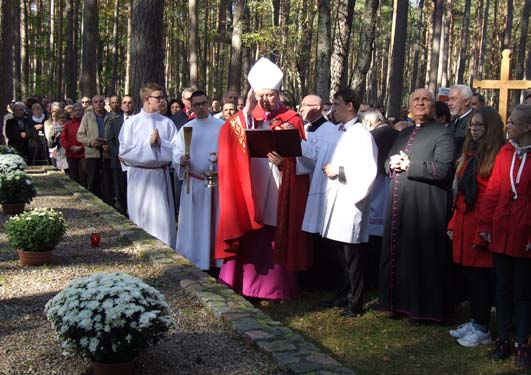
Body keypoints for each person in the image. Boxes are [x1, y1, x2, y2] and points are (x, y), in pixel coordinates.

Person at [216, 57, 312, 300]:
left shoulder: (292, 118)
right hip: (252, 184)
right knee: (249, 226)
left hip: (279, 183)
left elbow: (303, 157)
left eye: (270, 95)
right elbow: (228, 139)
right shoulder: (246, 118)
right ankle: (242, 282)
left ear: (278, 93)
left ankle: (276, 286)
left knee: (273, 229)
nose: (265, 100)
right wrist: (246, 112)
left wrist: (285, 164)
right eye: (261, 95)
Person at [378, 88, 455, 322]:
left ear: (433, 105)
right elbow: (386, 164)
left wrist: (410, 165)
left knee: (422, 257)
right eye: (416, 100)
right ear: (410, 106)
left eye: (425, 99)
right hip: (399, 205)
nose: (420, 103)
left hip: (426, 207)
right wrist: (390, 165)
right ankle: (396, 304)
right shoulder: (404, 133)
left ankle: (422, 309)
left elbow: (443, 169)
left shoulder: (443, 133)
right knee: (398, 254)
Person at [446, 106, 505, 347]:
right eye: (472, 125)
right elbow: (460, 193)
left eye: (479, 125)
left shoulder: (495, 155)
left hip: (480, 225)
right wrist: (452, 223)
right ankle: (474, 320)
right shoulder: (470, 153)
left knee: (481, 278)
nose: (474, 129)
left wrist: (484, 231)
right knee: (470, 276)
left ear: (490, 127)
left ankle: (482, 327)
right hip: (463, 221)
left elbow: (492, 195)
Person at [478, 104, 530, 368]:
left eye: (513, 122)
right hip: (501, 232)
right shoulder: (505, 153)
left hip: (524, 235)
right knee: (503, 289)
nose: (508, 126)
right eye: (508, 121)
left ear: (527, 127)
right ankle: (503, 339)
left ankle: (522, 342)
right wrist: (485, 224)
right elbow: (494, 191)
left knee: (523, 292)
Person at [320, 88, 378, 317]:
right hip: (336, 199)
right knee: (339, 252)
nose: (333, 109)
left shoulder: (362, 135)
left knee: (351, 255)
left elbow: (368, 170)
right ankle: (343, 292)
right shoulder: (339, 131)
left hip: (350, 202)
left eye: (337, 104)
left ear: (350, 106)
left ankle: (356, 301)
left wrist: (339, 171)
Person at [119, 83, 178, 248]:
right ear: (147, 99)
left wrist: (161, 144)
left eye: (162, 97)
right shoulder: (132, 123)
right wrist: (148, 144)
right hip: (139, 177)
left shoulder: (166, 123)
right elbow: (124, 153)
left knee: (162, 219)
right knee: (141, 215)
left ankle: (165, 249)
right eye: (158, 97)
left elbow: (176, 149)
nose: (162, 101)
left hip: (159, 176)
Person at [175, 91, 224, 270]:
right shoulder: (187, 128)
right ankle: (195, 257)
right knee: (194, 223)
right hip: (194, 182)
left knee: (215, 223)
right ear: (191, 107)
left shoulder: (222, 127)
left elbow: (230, 151)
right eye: (196, 104)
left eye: (203, 103)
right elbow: (176, 150)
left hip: (217, 184)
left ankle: (217, 260)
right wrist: (180, 159)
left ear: (208, 103)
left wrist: (221, 157)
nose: (201, 107)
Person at [297, 94, 342, 290]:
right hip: (302, 185)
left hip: (321, 187)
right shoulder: (305, 127)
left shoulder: (331, 132)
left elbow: (321, 159)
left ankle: (324, 279)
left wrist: (297, 143)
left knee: (321, 235)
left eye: (306, 105)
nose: (301, 108)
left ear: (319, 106)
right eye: (302, 104)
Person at [359, 109, 399, 290]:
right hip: (389, 183)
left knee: (375, 232)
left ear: (368, 123)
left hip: (379, 184)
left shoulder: (375, 135)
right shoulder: (393, 132)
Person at [76, 95, 114, 205]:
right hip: (92, 153)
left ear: (104, 103)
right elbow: (80, 135)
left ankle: (109, 205)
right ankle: (93, 205)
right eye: (96, 102)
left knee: (107, 182)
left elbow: (118, 136)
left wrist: (110, 146)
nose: (98, 104)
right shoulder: (87, 117)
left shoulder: (111, 117)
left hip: (107, 154)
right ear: (92, 104)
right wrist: (91, 142)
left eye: (101, 102)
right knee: (92, 180)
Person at [106, 95, 135, 216]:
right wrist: (119, 153)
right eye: (124, 102)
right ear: (121, 105)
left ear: (133, 104)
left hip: (135, 162)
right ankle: (123, 213)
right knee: (120, 189)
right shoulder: (115, 121)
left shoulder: (138, 121)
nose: (127, 105)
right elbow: (111, 140)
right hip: (118, 162)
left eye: (129, 102)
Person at [61, 103, 86, 186]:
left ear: (83, 111)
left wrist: (81, 147)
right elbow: (63, 138)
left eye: (79, 110)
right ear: (72, 112)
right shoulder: (68, 124)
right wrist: (70, 147)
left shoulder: (87, 123)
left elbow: (90, 137)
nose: (78, 112)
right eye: (75, 111)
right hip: (71, 154)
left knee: (83, 176)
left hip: (83, 154)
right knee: (74, 176)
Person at [448, 84, 473, 155]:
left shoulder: (474, 121)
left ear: (466, 101)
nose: (449, 103)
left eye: (454, 99)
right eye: (449, 99)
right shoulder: (452, 123)